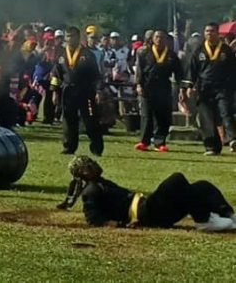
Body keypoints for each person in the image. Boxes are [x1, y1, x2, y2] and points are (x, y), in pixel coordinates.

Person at [57, 156, 236, 232]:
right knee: (176, 179)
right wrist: (122, 225)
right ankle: (204, 220)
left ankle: (229, 214)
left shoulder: (101, 182)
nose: (93, 166)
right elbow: (94, 219)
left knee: (201, 186)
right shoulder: (91, 191)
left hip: (152, 209)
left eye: (91, 162)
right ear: (82, 174)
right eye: (87, 166)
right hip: (145, 214)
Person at [182, 22, 236, 155]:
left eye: (212, 31)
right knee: (207, 118)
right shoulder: (199, 50)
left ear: (218, 33)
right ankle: (212, 147)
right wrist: (189, 85)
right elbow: (192, 69)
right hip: (204, 88)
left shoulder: (226, 50)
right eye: (207, 31)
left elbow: (233, 70)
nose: (209, 34)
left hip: (223, 88)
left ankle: (233, 139)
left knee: (226, 112)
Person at [54, 26, 104, 156]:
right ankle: (69, 147)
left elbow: (96, 75)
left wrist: (98, 90)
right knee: (68, 120)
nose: (70, 39)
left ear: (78, 37)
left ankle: (96, 148)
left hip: (85, 92)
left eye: (73, 36)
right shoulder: (61, 54)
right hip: (67, 91)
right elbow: (55, 75)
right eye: (68, 36)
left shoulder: (88, 54)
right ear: (65, 38)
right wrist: (54, 91)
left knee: (90, 120)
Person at [135, 29, 182, 152]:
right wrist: (139, 85)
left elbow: (179, 73)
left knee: (162, 116)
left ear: (166, 40)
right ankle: (144, 142)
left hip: (164, 88)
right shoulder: (144, 53)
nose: (159, 39)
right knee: (146, 115)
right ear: (152, 39)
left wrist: (182, 89)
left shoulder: (171, 55)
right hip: (147, 88)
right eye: (156, 37)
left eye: (162, 37)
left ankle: (159, 142)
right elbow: (139, 70)